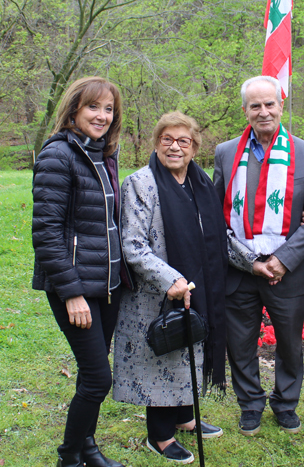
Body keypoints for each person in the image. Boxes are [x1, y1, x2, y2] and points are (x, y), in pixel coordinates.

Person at [213, 76, 304, 436]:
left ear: (281, 105)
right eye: (255, 105)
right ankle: (249, 404)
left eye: (269, 104)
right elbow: (216, 213)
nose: (263, 112)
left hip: (286, 271)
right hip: (240, 268)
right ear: (245, 110)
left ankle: (285, 403)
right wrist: (249, 262)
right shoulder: (226, 152)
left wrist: (280, 260)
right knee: (240, 343)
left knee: (290, 344)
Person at [113, 111, 227, 464]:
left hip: (196, 286)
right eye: (167, 140)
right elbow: (132, 245)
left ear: (194, 148)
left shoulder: (200, 182)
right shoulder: (141, 183)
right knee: (163, 355)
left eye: (183, 141)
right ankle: (159, 436)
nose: (175, 147)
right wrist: (170, 280)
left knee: (188, 351)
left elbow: (216, 235)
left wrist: (254, 261)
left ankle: (184, 416)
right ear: (156, 143)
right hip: (155, 293)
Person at [32, 77, 127, 467]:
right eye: (93, 107)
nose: (102, 116)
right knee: (99, 379)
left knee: (91, 375)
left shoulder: (104, 154)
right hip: (76, 287)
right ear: (74, 109)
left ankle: (87, 446)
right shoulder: (58, 155)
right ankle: (69, 457)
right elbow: (47, 233)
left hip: (107, 284)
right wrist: (71, 293)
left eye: (108, 109)